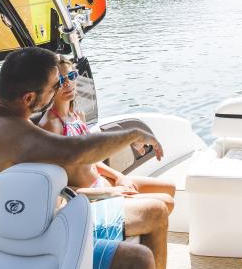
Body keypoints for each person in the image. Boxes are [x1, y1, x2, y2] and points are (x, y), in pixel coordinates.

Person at [0, 47, 167, 269]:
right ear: (28, 98)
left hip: (21, 227)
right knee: (139, 263)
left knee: (154, 215)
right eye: (54, 85)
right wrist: (134, 134)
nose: (60, 87)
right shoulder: (11, 131)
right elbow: (76, 151)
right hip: (24, 244)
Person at [39, 55, 176, 207]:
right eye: (60, 81)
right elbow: (56, 189)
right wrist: (109, 193)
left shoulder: (77, 115)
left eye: (71, 76)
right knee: (165, 202)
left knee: (169, 188)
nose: (68, 83)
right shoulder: (51, 126)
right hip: (89, 198)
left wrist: (119, 176)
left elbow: (90, 158)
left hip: (102, 183)